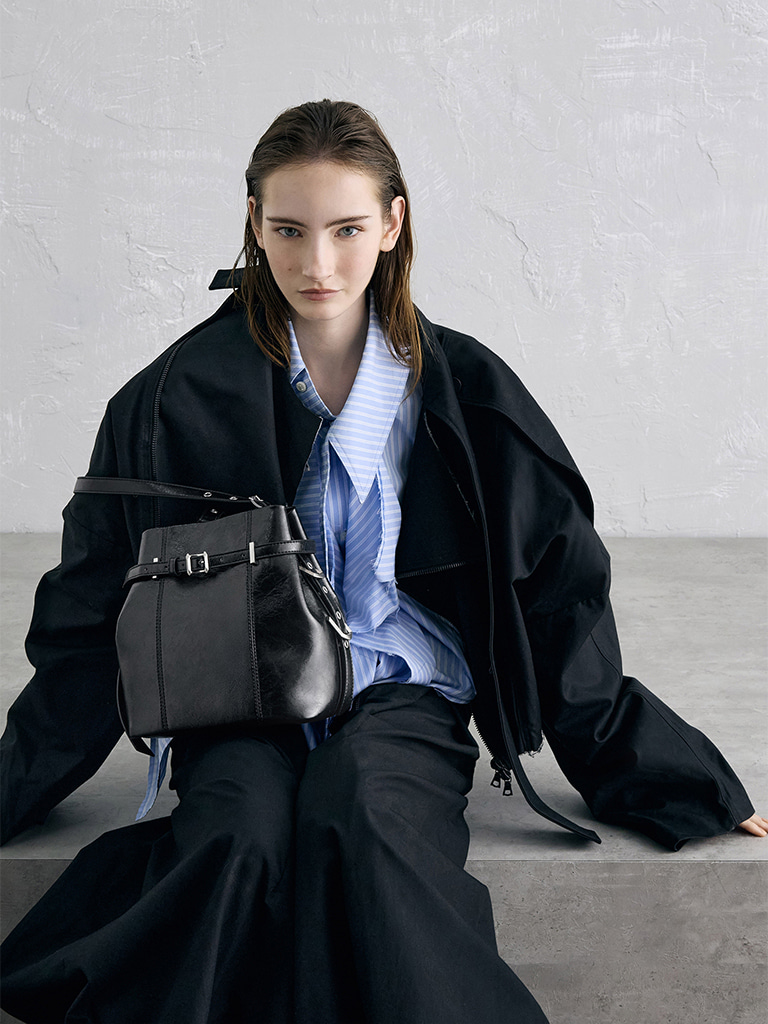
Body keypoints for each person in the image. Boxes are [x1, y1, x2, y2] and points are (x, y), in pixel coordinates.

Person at [1, 99, 765, 1024]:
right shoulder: (168, 398)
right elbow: (94, 613)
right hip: (238, 696)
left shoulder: (466, 390)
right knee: (236, 837)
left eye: (347, 229)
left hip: (402, 687)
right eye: (289, 230)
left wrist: (672, 776)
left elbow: (559, 591)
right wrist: (14, 783)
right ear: (254, 222)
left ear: (394, 223)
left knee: (364, 816)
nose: (317, 264)